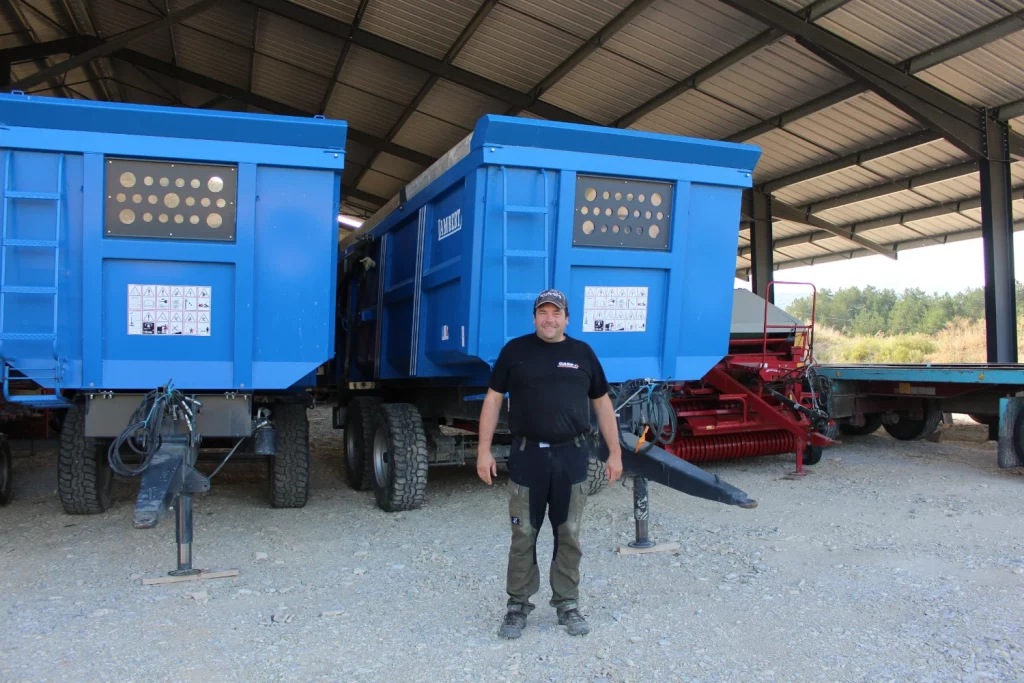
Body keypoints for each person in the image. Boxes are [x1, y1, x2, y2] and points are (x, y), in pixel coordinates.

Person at [476, 288, 623, 639]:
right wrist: (483, 450)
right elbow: (493, 401)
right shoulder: (515, 351)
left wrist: (615, 453)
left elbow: (603, 405)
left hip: (572, 455)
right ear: (534, 317)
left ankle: (567, 603)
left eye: (556, 313)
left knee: (569, 531)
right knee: (524, 532)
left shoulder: (583, 353)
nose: (549, 318)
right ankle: (517, 605)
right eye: (543, 312)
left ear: (567, 319)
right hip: (528, 456)